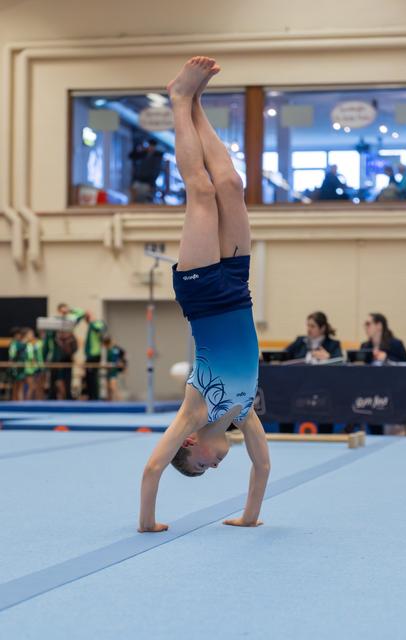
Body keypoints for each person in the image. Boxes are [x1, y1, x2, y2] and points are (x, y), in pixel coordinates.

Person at [138, 57, 270, 534]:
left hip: (202, 295)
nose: (216, 466)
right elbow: (263, 468)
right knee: (231, 185)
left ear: (189, 444)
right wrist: (250, 517)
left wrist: (147, 524)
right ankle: (198, 101)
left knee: (201, 191)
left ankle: (178, 97)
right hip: (237, 288)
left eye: (203, 466)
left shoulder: (196, 409)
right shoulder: (242, 412)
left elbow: (153, 469)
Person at [128, 138, 164, 203]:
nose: (151, 148)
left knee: (147, 200)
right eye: (150, 146)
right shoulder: (143, 154)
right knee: (133, 198)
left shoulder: (157, 156)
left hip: (149, 182)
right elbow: (131, 156)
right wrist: (138, 148)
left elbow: (156, 171)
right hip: (139, 180)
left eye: (152, 146)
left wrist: (152, 183)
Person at [84, 312, 107, 400]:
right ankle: (91, 396)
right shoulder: (91, 326)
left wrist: (92, 321)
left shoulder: (96, 324)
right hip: (90, 355)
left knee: (93, 377)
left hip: (94, 354)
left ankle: (95, 397)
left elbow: (102, 328)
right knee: (89, 377)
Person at [103, 335, 127, 401]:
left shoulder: (115, 349)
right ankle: (109, 399)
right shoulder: (107, 350)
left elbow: (122, 356)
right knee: (108, 386)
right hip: (109, 369)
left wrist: (122, 364)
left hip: (113, 369)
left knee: (113, 386)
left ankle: (119, 399)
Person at [8, 327, 27, 400]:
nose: (19, 336)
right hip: (15, 368)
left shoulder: (19, 343)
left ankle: (18, 401)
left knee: (20, 385)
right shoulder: (14, 344)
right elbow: (12, 356)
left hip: (21, 367)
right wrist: (12, 365)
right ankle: (14, 402)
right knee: (16, 386)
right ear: (15, 335)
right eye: (18, 334)